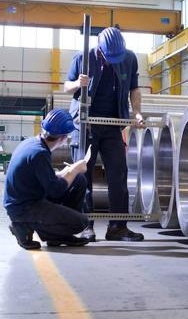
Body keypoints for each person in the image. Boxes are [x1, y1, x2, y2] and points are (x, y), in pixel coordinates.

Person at [65, 27, 144, 242]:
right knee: (82, 175)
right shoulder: (83, 58)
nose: (112, 62)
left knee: (118, 174)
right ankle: (84, 226)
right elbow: (66, 87)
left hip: (113, 124)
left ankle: (118, 228)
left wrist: (137, 112)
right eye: (109, 58)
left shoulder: (128, 58)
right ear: (100, 49)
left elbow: (134, 89)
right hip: (86, 125)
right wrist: (77, 84)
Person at [4, 109, 90, 250]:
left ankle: (57, 235)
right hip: (23, 207)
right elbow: (56, 191)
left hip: (26, 199)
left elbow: (40, 177)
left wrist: (64, 173)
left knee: (78, 180)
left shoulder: (33, 143)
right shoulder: (40, 153)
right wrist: (74, 169)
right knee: (80, 223)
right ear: (63, 138)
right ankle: (22, 225)